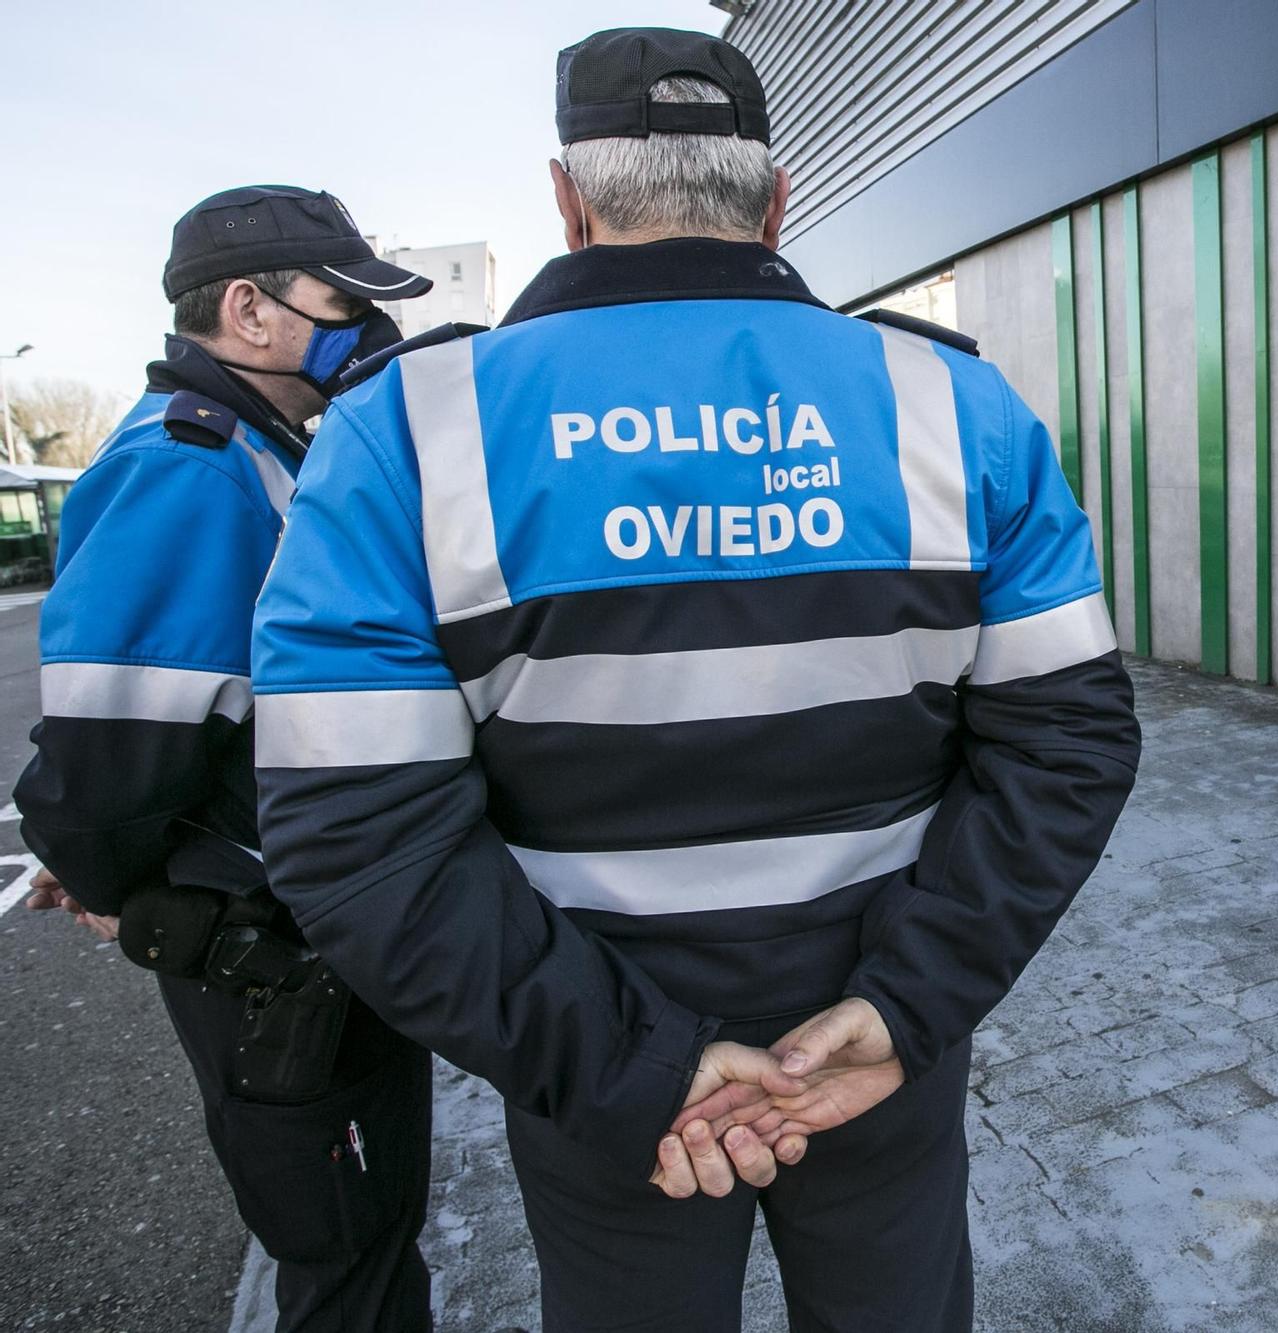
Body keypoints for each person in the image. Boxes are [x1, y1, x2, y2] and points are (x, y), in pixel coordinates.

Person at [250, 27, 1141, 1333]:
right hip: (878, 1044)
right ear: (775, 201)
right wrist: (906, 1004)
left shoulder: (410, 435)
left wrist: (634, 1067)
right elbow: (1070, 743)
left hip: (603, 1074)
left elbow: (355, 833)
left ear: (569, 199)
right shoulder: (957, 405)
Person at [13, 187, 437, 1330]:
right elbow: (114, 747)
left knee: (370, 1228)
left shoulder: (257, 446)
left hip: (315, 929)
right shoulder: (192, 465)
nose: (369, 331)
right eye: (345, 303)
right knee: (344, 1255)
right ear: (248, 310)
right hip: (268, 954)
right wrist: (100, 867)